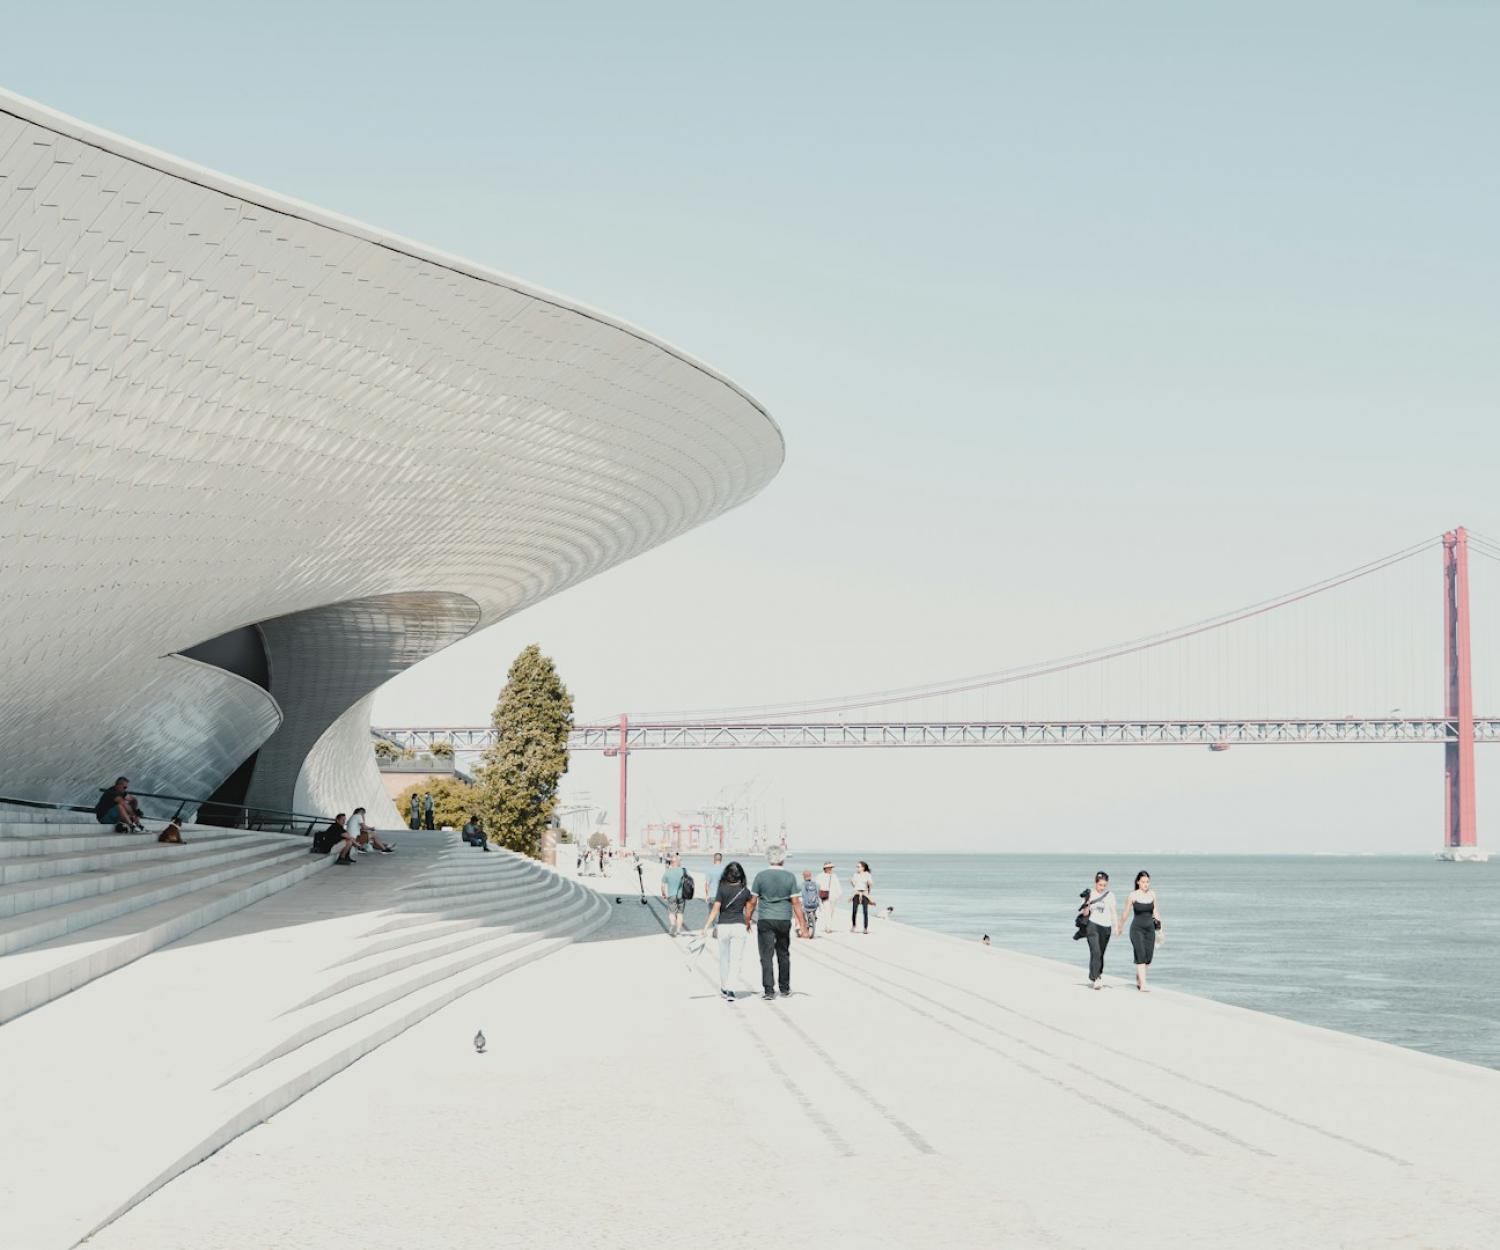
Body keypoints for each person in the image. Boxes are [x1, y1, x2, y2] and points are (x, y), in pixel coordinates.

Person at [747, 846, 810, 1000]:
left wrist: (747, 919)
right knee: (783, 953)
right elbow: (796, 903)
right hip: (783, 919)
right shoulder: (790, 877)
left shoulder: (760, 876)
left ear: (768, 858)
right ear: (782, 859)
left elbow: (752, 902)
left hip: (765, 919)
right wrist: (803, 926)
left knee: (766, 955)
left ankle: (769, 990)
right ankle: (785, 988)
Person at [701, 861, 753, 1002]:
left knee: (724, 958)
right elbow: (748, 910)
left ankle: (724, 987)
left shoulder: (722, 888)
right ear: (740, 874)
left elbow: (715, 909)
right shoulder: (745, 890)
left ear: (727, 874)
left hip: (723, 926)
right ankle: (731, 989)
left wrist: (706, 926)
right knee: (736, 959)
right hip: (739, 926)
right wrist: (748, 923)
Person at [1119, 870, 1161, 992]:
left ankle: (1139, 977)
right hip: (1136, 929)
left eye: (1147, 882)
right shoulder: (1133, 895)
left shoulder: (1152, 894)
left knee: (1148, 957)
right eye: (1143, 882)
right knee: (1141, 955)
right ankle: (1143, 984)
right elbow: (1125, 913)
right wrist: (1120, 926)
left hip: (1150, 929)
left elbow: (1156, 912)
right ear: (1138, 882)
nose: (1145, 884)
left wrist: (1160, 929)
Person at [1083, 871, 1117, 989]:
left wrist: (1116, 926)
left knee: (1100, 953)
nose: (1102, 887)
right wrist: (1086, 904)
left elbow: (1113, 912)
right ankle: (1096, 977)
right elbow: (1085, 913)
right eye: (1100, 885)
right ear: (1095, 883)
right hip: (1092, 925)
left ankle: (1097, 974)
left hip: (1106, 927)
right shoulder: (1089, 894)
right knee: (1095, 951)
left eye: (1104, 885)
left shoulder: (1110, 895)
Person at [660, 853, 689, 936]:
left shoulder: (667, 872)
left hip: (671, 895)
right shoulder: (684, 871)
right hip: (682, 896)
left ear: (672, 863)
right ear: (677, 862)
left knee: (672, 913)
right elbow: (689, 882)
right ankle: (679, 930)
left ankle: (673, 925)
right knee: (680, 913)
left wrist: (664, 894)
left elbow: (662, 885)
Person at [814, 861, 842, 937]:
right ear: (825, 868)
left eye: (831, 868)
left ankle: (828, 925)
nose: (830, 869)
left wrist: (840, 894)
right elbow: (817, 886)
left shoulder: (834, 876)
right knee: (827, 911)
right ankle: (828, 928)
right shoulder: (820, 876)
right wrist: (817, 894)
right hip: (825, 896)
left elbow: (838, 886)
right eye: (829, 868)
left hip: (834, 896)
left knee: (832, 911)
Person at [849, 861, 874, 934]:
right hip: (856, 893)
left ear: (863, 868)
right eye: (857, 866)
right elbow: (853, 884)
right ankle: (853, 925)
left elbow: (871, 884)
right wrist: (852, 883)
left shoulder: (867, 874)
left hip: (864, 894)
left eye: (858, 866)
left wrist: (869, 883)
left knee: (865, 912)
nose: (857, 868)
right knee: (854, 911)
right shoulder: (855, 874)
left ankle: (865, 928)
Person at [798, 869, 821, 937]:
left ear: (803, 876)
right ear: (811, 876)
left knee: (800, 912)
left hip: (806, 904)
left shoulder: (802, 884)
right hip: (815, 904)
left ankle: (803, 926)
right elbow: (818, 891)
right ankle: (814, 917)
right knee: (813, 910)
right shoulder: (816, 884)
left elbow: (795, 890)